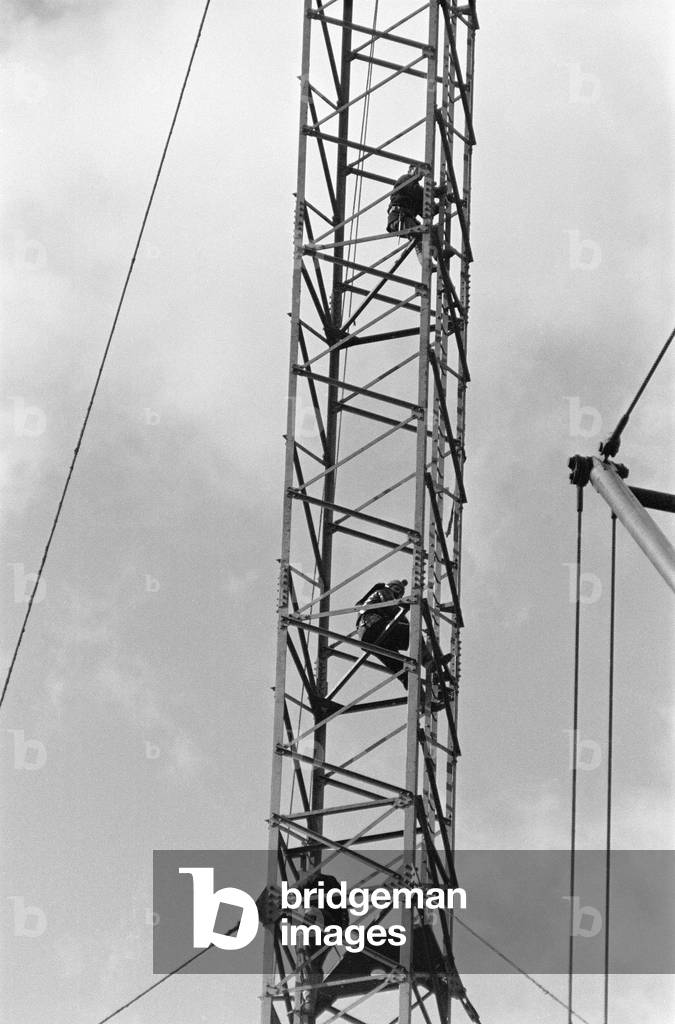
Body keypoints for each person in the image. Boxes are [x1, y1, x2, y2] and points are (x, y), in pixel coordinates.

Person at [356, 578, 410, 685]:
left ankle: (409, 682)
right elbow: (391, 608)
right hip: (374, 625)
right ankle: (429, 663)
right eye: (396, 588)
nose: (397, 593)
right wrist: (406, 620)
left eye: (400, 593)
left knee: (394, 660)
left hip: (367, 636)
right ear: (389, 586)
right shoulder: (384, 591)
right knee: (414, 632)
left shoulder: (374, 598)